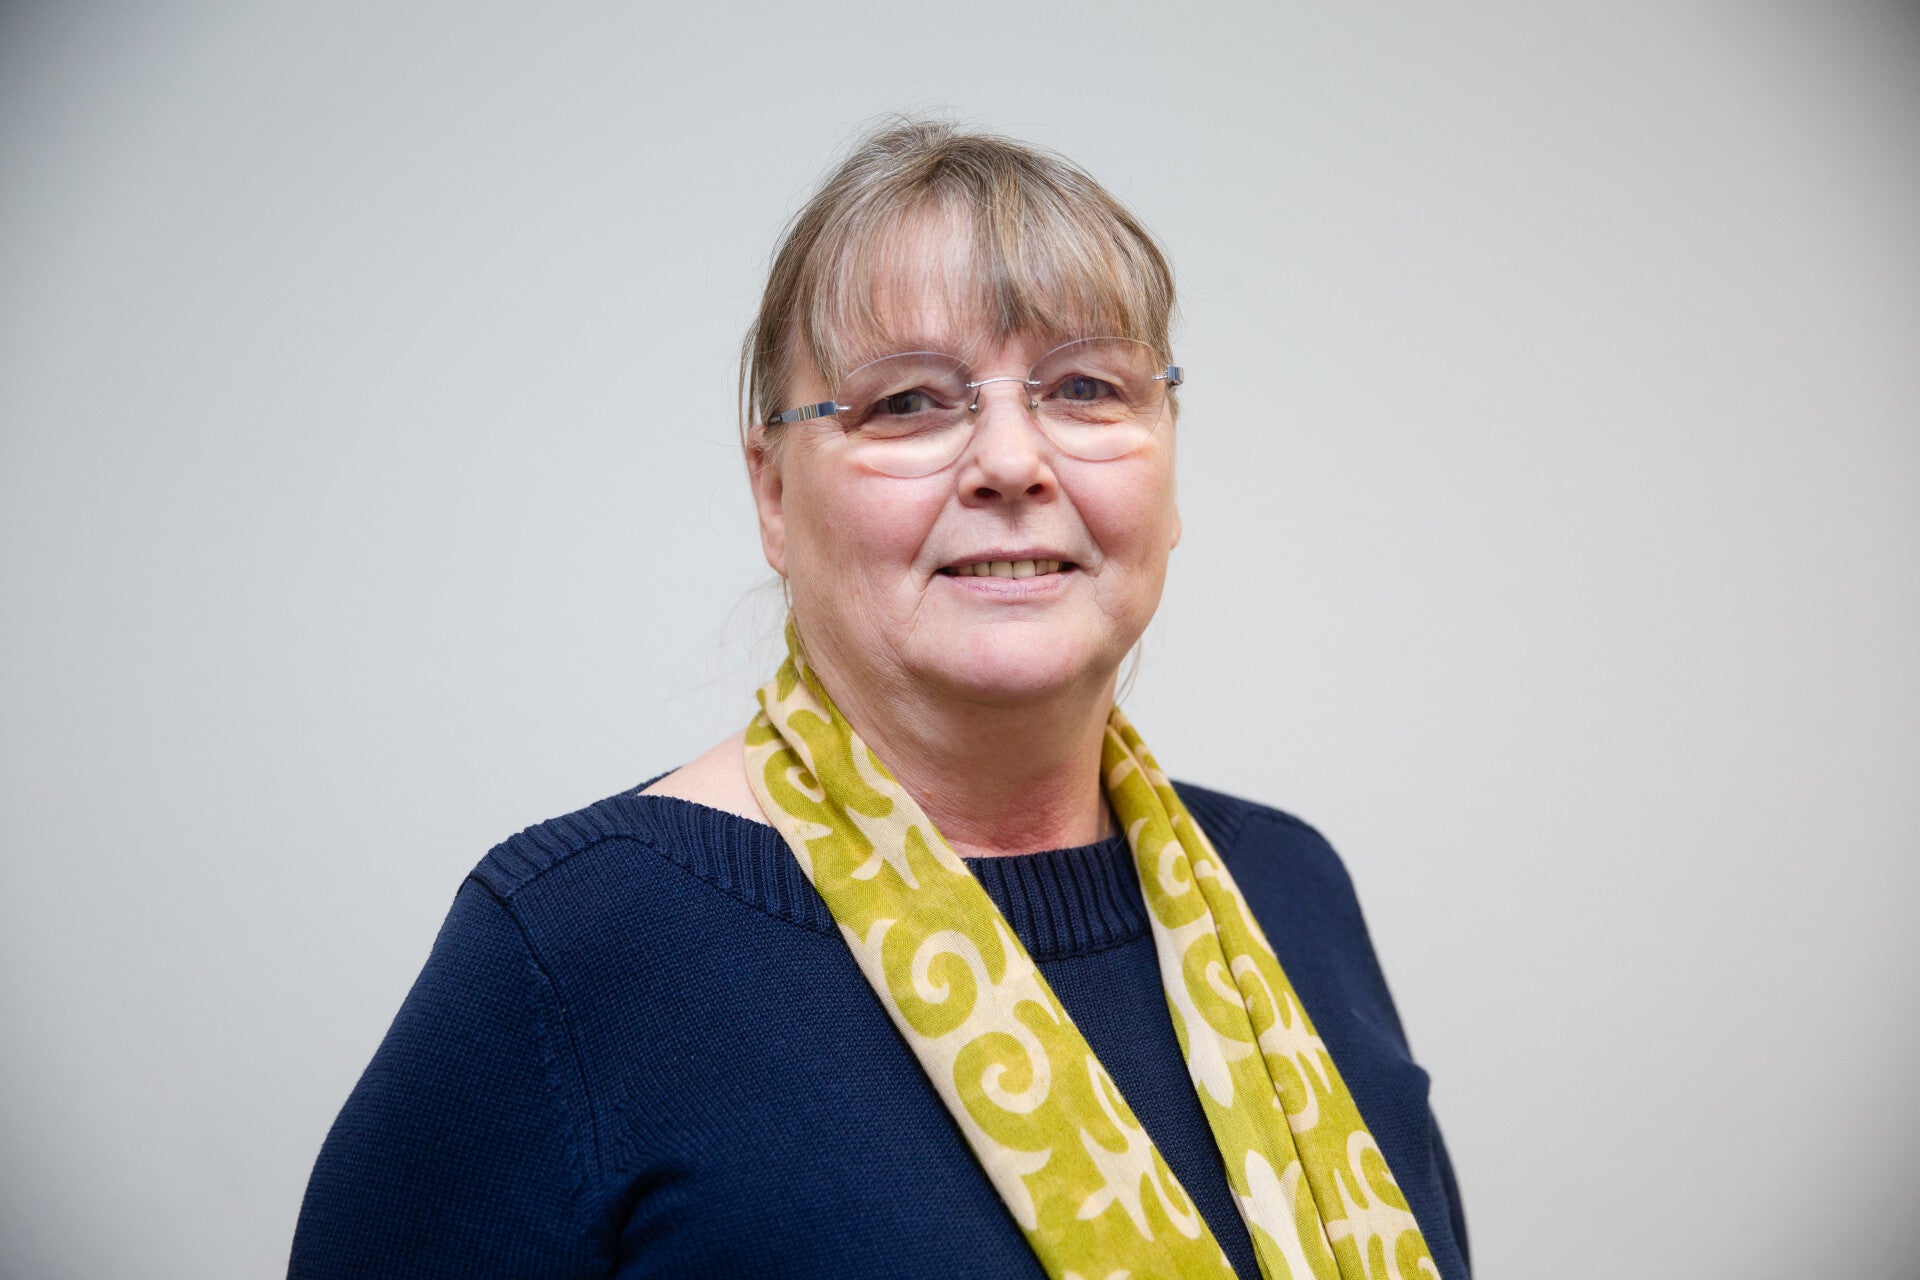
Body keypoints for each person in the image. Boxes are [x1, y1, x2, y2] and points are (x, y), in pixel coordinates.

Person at [290, 119, 1471, 1280]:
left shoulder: (1289, 888)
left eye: (1087, 388)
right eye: (908, 401)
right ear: (772, 494)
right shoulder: (576, 946)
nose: (1013, 462)